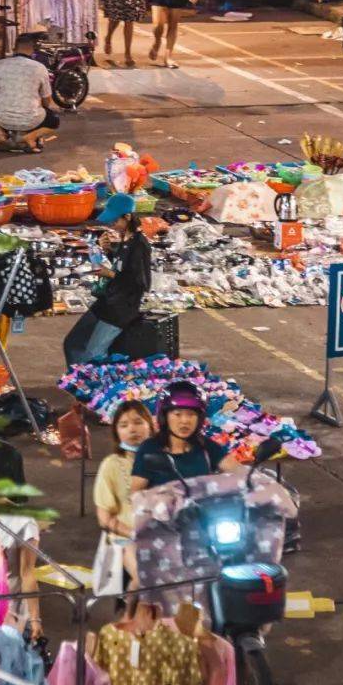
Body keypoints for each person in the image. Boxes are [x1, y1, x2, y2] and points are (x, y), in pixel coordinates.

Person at [63, 200, 151, 365]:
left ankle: (98, 385)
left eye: (115, 221)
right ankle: (78, 382)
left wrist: (109, 274)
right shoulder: (125, 240)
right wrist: (109, 251)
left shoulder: (140, 246)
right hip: (107, 301)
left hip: (121, 308)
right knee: (72, 343)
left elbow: (141, 283)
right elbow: (123, 266)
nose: (113, 226)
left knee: (94, 354)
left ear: (128, 216)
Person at [91, 400, 156, 597]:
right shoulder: (111, 465)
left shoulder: (164, 459)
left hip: (164, 535)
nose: (132, 429)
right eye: (124, 425)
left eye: (138, 422)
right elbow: (105, 518)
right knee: (144, 577)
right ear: (116, 432)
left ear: (150, 426)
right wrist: (133, 532)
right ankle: (132, 619)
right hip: (128, 538)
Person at [131, 380, 228, 493]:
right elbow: (134, 495)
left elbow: (239, 471)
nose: (185, 421)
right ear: (165, 417)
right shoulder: (150, 449)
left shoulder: (206, 446)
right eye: (177, 414)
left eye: (191, 414)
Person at [0, 35, 61, 152]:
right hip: (31, 119)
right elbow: (47, 99)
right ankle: (30, 138)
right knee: (54, 119)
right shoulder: (40, 68)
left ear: (14, 48)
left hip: (2, 118)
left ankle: (1, 135)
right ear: (33, 50)